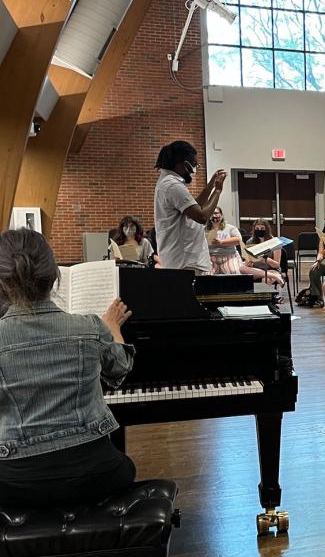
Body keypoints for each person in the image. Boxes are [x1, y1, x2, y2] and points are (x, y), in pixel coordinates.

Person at [0, 229, 137, 507]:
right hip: (98, 473)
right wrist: (111, 328)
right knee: (123, 466)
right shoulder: (90, 327)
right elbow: (119, 369)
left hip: (15, 483)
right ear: (54, 277)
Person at [153, 140, 226, 274]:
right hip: (185, 262)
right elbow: (202, 216)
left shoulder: (168, 182)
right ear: (185, 165)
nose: (195, 168)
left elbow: (195, 206)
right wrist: (217, 191)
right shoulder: (172, 185)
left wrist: (210, 186)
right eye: (195, 164)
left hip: (183, 260)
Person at [241, 219, 285, 287]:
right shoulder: (250, 242)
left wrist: (264, 259)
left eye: (262, 228)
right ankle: (275, 276)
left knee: (266, 279)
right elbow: (248, 261)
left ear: (267, 229)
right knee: (241, 269)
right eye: (257, 228)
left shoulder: (275, 242)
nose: (259, 230)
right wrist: (248, 262)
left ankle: (266, 296)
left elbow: (276, 265)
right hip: (256, 269)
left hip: (271, 269)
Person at [206, 207, 244, 275]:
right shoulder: (204, 229)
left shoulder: (230, 228)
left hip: (228, 256)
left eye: (216, 213)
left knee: (234, 273)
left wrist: (221, 242)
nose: (214, 216)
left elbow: (238, 240)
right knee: (206, 275)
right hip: (211, 258)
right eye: (211, 214)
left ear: (221, 214)